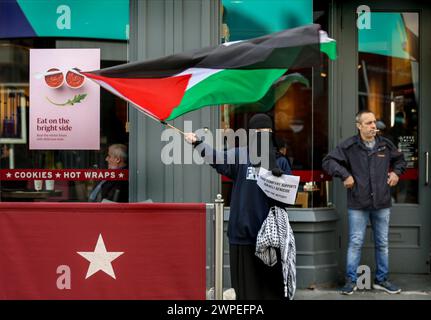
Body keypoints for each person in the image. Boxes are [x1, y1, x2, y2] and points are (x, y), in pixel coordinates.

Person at [185, 113, 292, 300]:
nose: (262, 135)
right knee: (245, 290)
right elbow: (217, 159)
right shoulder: (240, 155)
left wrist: (279, 180)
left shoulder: (280, 161)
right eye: (258, 131)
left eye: (266, 131)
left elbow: (286, 202)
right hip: (242, 233)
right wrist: (197, 143)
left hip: (270, 237)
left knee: (270, 290)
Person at [322, 110, 406, 295]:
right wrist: (345, 175)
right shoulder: (349, 146)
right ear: (359, 126)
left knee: (382, 243)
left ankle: (382, 280)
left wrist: (396, 173)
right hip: (358, 203)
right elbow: (328, 162)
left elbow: (400, 160)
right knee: (355, 242)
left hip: (382, 203)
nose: (373, 126)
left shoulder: (385, 144)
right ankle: (351, 281)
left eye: (374, 122)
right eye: (368, 123)